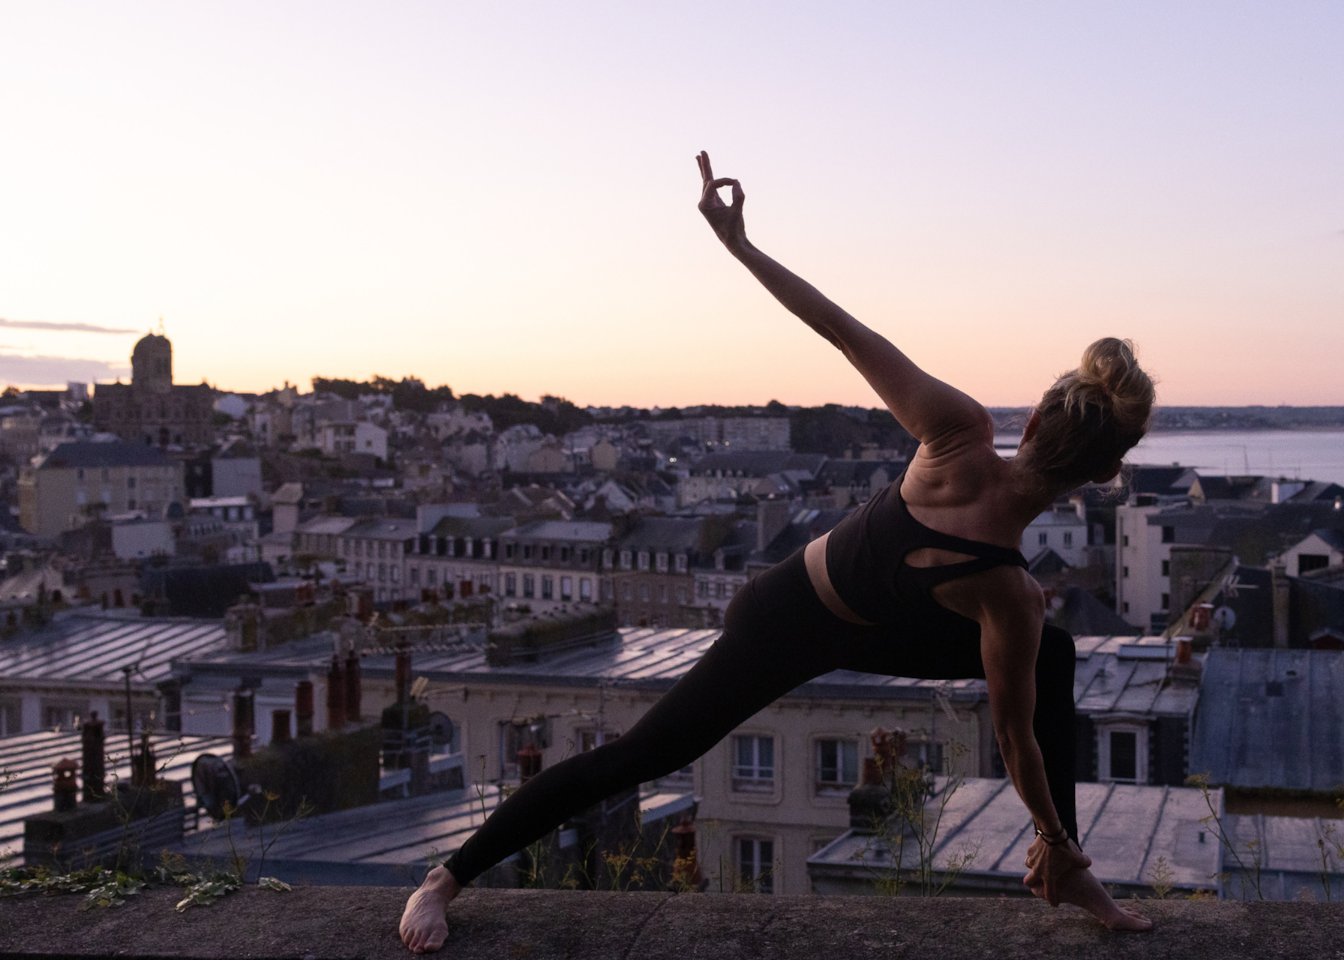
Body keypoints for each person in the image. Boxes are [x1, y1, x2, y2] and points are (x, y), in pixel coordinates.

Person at [398, 152, 1157, 952]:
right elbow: (1014, 741)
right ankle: (444, 878)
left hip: (876, 624)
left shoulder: (987, 512)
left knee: (1054, 656)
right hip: (783, 619)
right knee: (643, 755)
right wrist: (1049, 825)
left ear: (1033, 425)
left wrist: (741, 246)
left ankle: (1064, 866)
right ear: (1105, 476)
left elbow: (840, 328)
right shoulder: (999, 567)